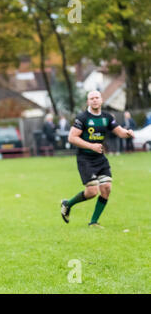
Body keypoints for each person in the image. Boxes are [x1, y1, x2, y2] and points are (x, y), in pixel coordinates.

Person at [60, 91, 134, 228]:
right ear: (88, 101)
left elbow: (119, 131)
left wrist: (128, 133)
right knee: (92, 192)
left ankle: (93, 222)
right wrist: (91, 146)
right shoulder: (82, 118)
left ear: (101, 100)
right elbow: (72, 138)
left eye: (97, 98)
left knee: (106, 188)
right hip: (85, 158)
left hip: (99, 157)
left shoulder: (107, 117)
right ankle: (67, 204)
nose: (94, 100)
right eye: (91, 98)